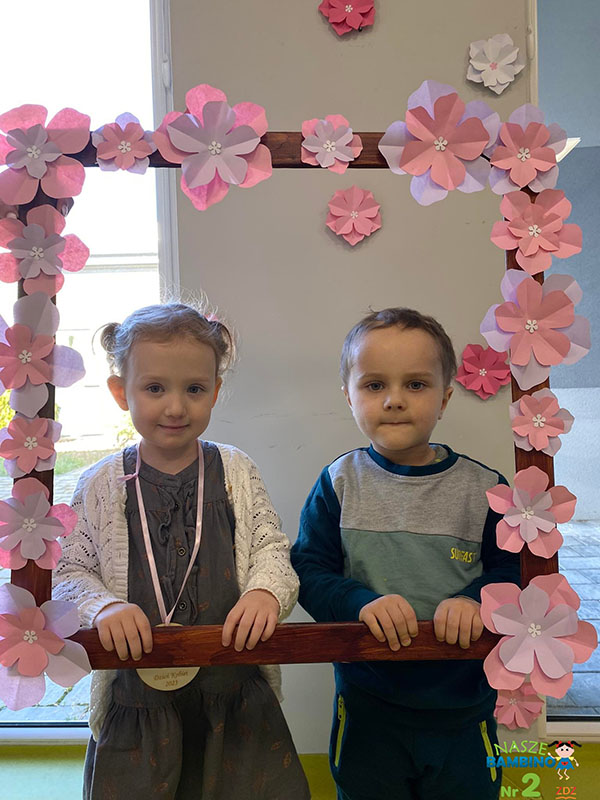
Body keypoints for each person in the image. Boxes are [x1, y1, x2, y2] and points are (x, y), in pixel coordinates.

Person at [53, 303, 310, 800]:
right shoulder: (100, 483)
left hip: (233, 692)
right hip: (138, 701)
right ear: (120, 392)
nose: (175, 407)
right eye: (155, 388)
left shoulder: (236, 471)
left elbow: (271, 549)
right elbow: (69, 572)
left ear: (214, 390)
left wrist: (265, 593)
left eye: (194, 389)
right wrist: (102, 607)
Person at [291, 307, 520, 800]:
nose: (394, 400)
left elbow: (514, 569)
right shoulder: (338, 482)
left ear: (445, 398)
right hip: (368, 704)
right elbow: (308, 570)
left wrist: (478, 600)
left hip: (464, 706)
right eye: (374, 385)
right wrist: (359, 602)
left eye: (416, 384)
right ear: (349, 396)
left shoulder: (486, 489)